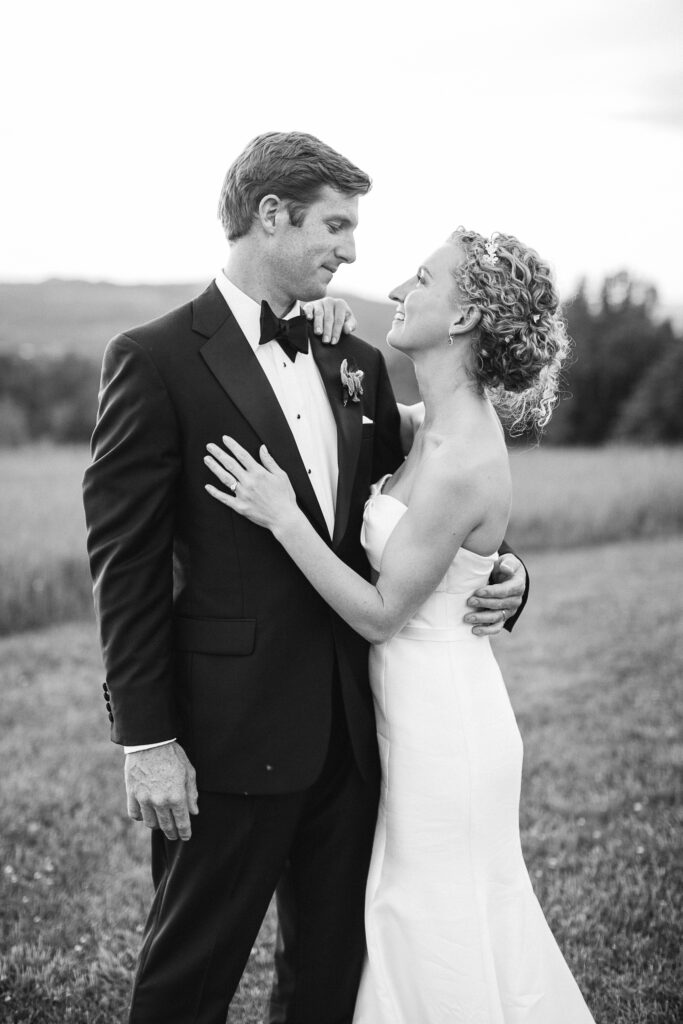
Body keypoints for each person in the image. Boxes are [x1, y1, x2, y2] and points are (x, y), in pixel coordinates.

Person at [82, 132, 528, 1024]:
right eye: (335, 224)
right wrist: (146, 739)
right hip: (225, 741)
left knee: (328, 985)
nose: (353, 250)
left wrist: (507, 571)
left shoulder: (355, 362)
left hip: (361, 744)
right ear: (270, 215)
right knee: (187, 980)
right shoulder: (157, 358)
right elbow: (123, 564)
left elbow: (428, 509)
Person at [204, 227, 595, 1023]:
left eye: (420, 279)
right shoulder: (434, 427)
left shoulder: (461, 458)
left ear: (460, 322)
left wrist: (284, 518)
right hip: (404, 714)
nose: (395, 291)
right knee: (413, 919)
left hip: (442, 727)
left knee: (434, 928)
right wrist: (329, 339)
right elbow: (375, 443)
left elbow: (383, 614)